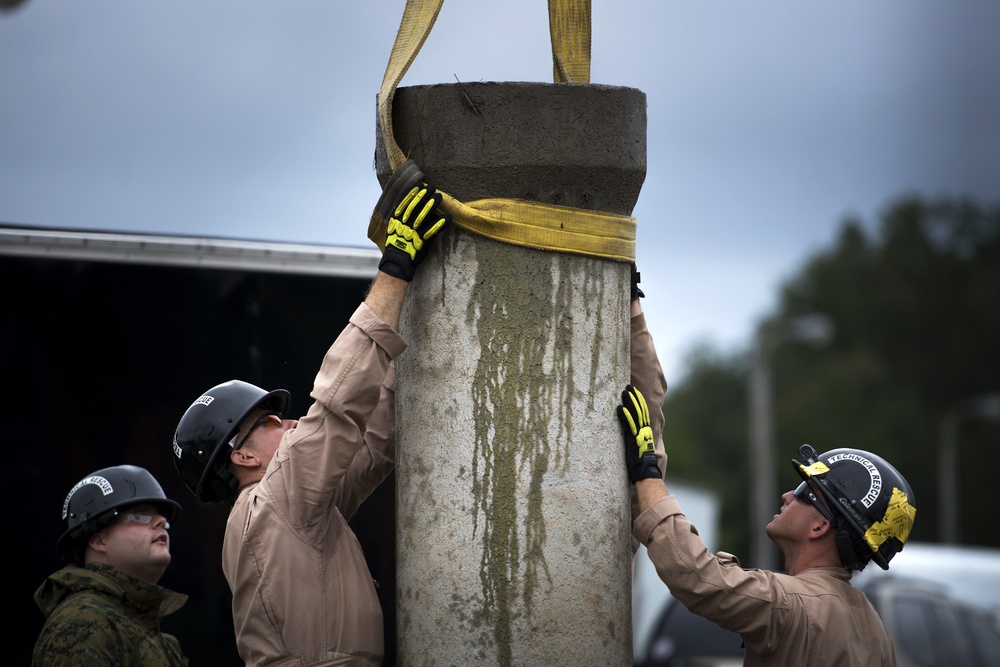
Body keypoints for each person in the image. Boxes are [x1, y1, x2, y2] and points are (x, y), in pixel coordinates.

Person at [170, 161, 450, 666]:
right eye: (271, 422)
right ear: (244, 457)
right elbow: (337, 408)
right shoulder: (274, 502)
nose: (291, 421)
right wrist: (396, 266)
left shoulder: (299, 512)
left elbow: (376, 440)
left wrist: (409, 303)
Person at [617, 382, 917, 666]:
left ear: (820, 527)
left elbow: (696, 576)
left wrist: (646, 469)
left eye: (804, 493)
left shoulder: (791, 603)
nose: (787, 495)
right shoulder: (877, 631)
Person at [33, 464, 189, 667]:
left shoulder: (155, 636)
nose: (161, 521)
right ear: (99, 541)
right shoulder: (84, 623)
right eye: (141, 515)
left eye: (163, 519)